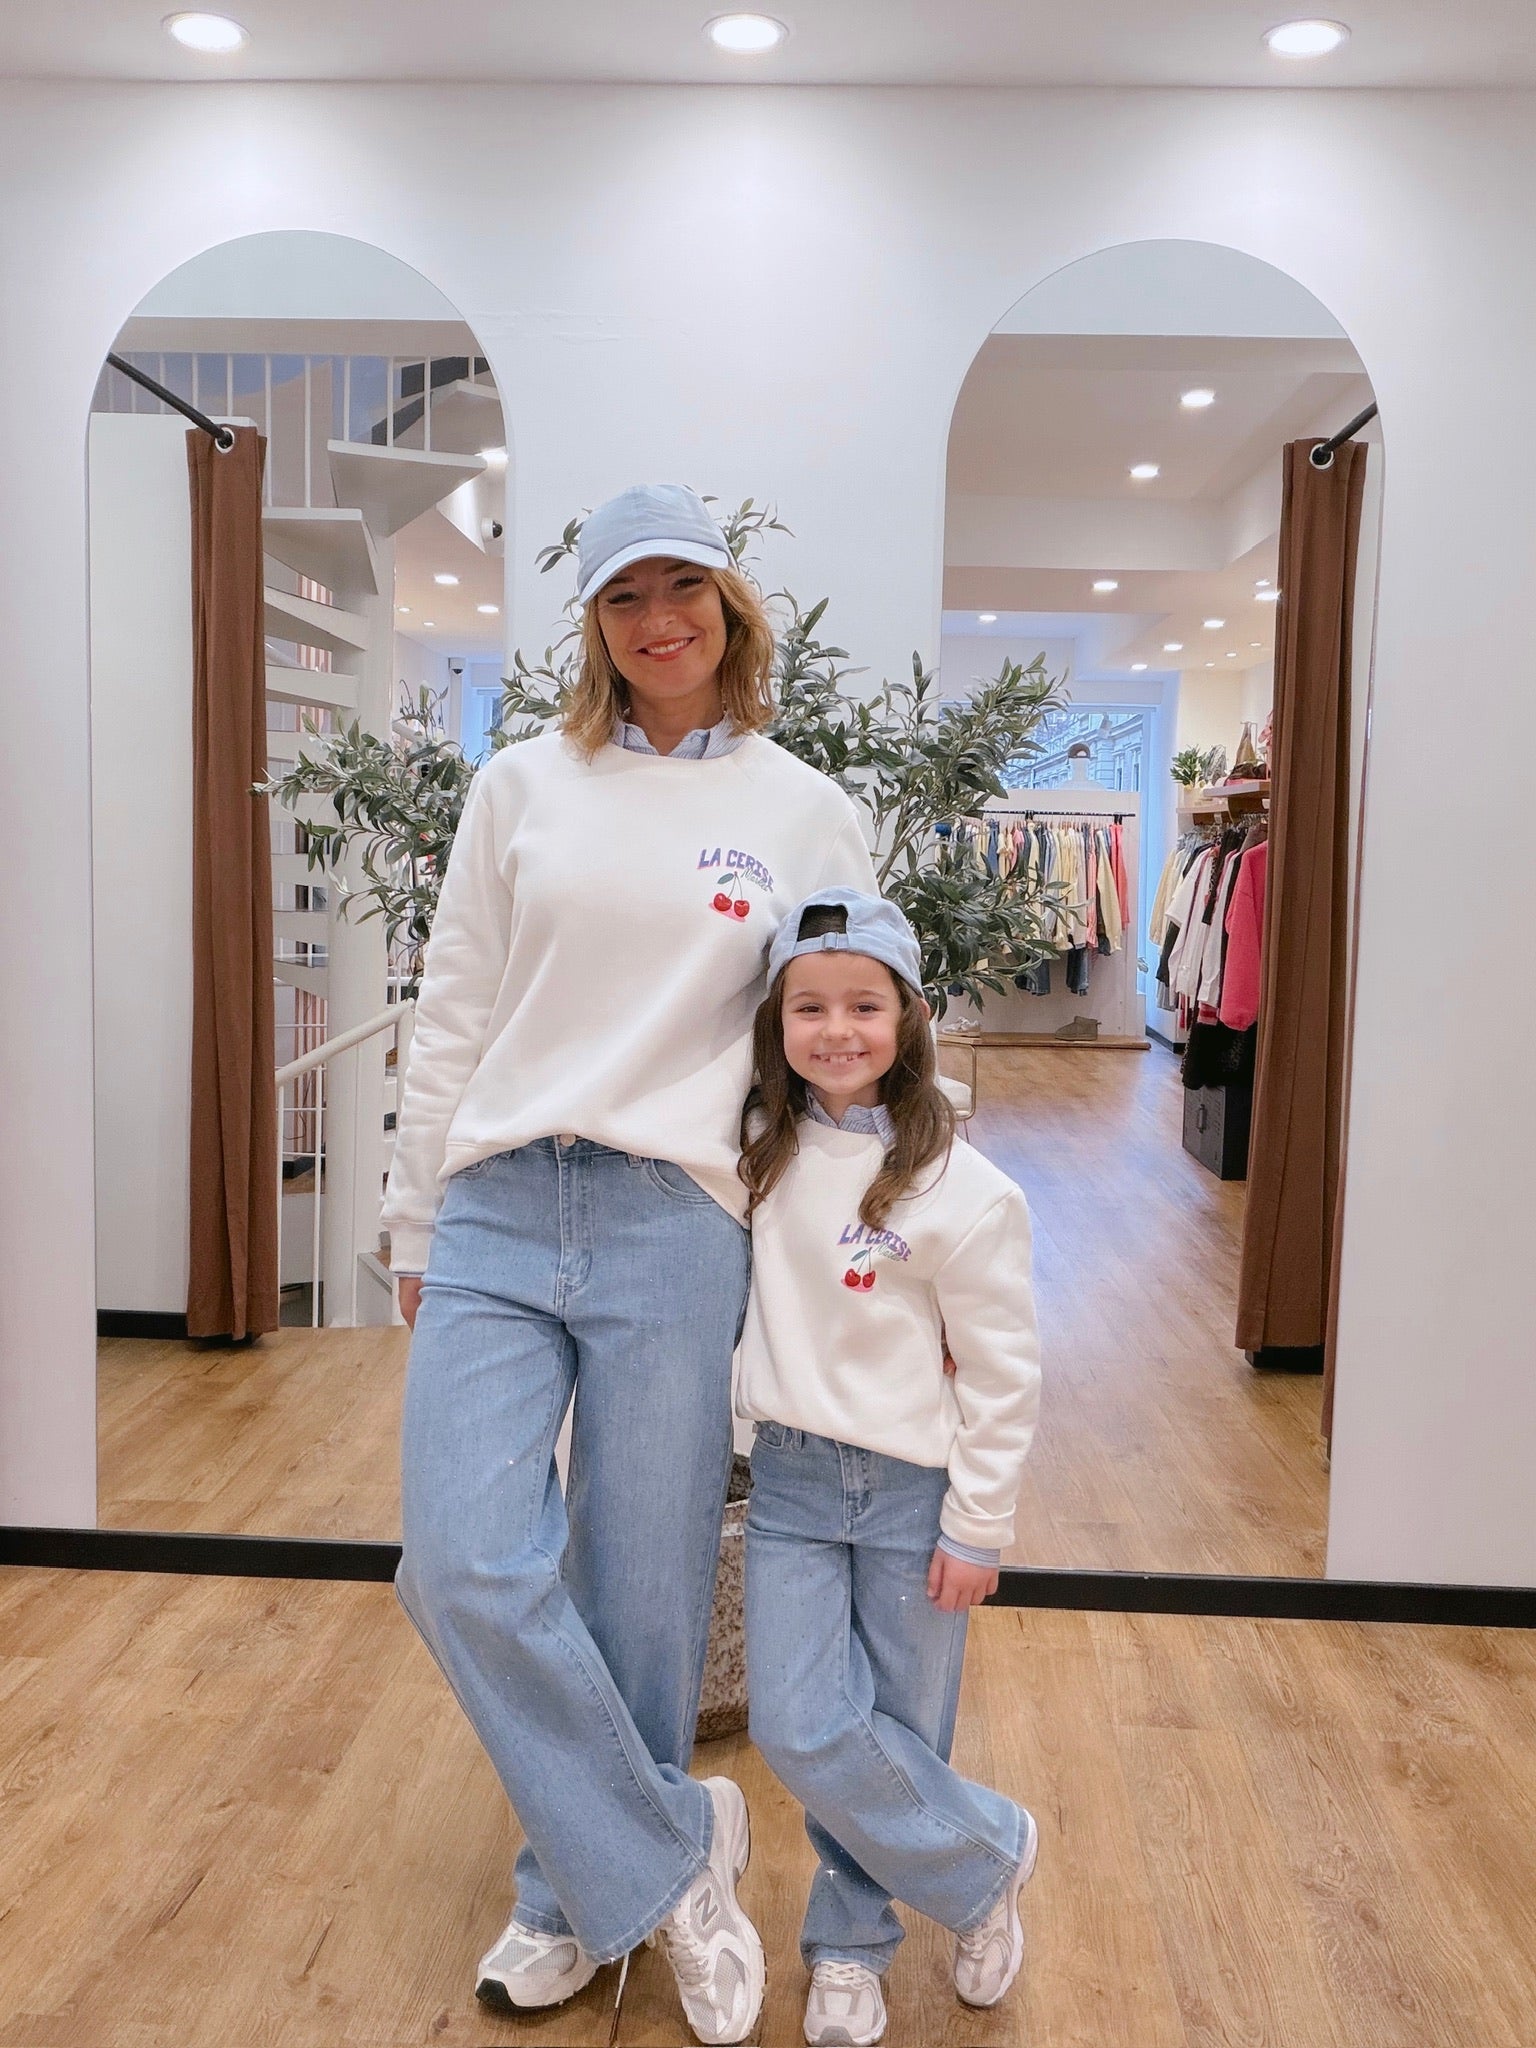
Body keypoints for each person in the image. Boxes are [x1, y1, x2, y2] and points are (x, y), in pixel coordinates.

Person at [385, 485, 877, 2046]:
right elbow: (454, 1005)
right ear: (592, 626)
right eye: (623, 597)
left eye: (684, 589)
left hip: (677, 1215)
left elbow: (840, 1044)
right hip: (500, 1201)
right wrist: (413, 1213)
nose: (658, 620)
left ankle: (561, 1898)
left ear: (731, 609)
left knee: (643, 1581)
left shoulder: (806, 809)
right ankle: (673, 1852)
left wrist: (842, 1254)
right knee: (460, 1561)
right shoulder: (522, 786)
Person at [736, 888, 1042, 2048]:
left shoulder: (967, 1188)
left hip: (914, 1492)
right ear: (776, 1022)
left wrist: (978, 1522)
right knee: (803, 1724)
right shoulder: (752, 1155)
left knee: (901, 1730)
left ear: (910, 1015)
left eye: (864, 1004)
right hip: (793, 1485)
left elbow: (1004, 1372)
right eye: (808, 1006)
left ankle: (850, 1946)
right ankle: (985, 1860)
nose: (836, 1029)